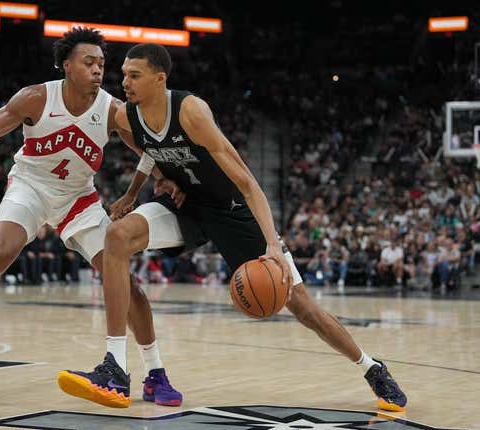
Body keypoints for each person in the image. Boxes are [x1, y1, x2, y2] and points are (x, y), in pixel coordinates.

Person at [58, 43, 407, 412]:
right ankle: (117, 368)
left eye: (134, 75)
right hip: (185, 207)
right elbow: (143, 147)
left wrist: (272, 245)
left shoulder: (191, 111)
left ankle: (371, 368)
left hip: (231, 211)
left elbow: (247, 181)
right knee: (117, 236)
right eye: (124, 74)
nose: (123, 81)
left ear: (160, 79)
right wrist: (137, 190)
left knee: (303, 308)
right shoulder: (128, 115)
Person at [0, 29, 182, 406]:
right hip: (30, 188)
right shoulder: (36, 98)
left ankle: (155, 373)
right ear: (67, 65)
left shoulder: (111, 109)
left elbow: (144, 146)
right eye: (89, 62)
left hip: (79, 200)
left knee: (128, 286)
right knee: (0, 252)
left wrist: (164, 178)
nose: (98, 70)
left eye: (101, 63)